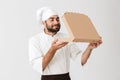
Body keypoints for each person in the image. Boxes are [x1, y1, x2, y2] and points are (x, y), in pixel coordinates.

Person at [29, 7, 102, 80]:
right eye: (52, 20)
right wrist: (53, 49)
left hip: (65, 78)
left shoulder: (67, 37)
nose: (56, 22)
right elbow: (40, 66)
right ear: (44, 23)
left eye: (57, 19)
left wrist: (89, 48)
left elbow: (81, 60)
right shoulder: (35, 40)